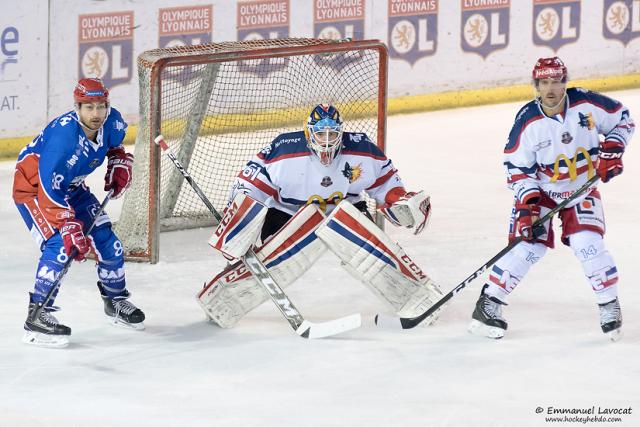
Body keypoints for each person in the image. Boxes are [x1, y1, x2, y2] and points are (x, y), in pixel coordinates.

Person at [199, 104, 441, 328]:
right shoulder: (285, 150)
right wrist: (238, 222)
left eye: (332, 134)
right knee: (274, 264)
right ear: (309, 133)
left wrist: (399, 201)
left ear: (341, 133)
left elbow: (386, 182)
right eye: (320, 134)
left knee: (373, 252)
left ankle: (419, 297)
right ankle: (221, 299)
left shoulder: (361, 149)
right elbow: (249, 184)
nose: (327, 140)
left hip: (345, 209)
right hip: (289, 212)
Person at [468, 57, 634, 341]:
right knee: (528, 248)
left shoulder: (587, 104)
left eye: (556, 81)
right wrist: (529, 205)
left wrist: (613, 149)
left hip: (582, 188)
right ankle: (489, 303)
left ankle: (609, 305)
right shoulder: (528, 122)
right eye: (544, 82)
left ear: (565, 82)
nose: (551, 89)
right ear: (536, 86)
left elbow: (624, 120)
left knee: (588, 244)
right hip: (543, 193)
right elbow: (516, 169)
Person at [13, 78, 145, 348]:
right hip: (35, 189)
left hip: (71, 188)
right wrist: (68, 224)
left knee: (110, 244)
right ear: (77, 108)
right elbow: (49, 189)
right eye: (88, 107)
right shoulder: (62, 142)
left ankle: (115, 300)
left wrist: (119, 162)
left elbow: (115, 147)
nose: (95, 114)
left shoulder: (112, 122)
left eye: (100, 106)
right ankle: (38, 314)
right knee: (60, 246)